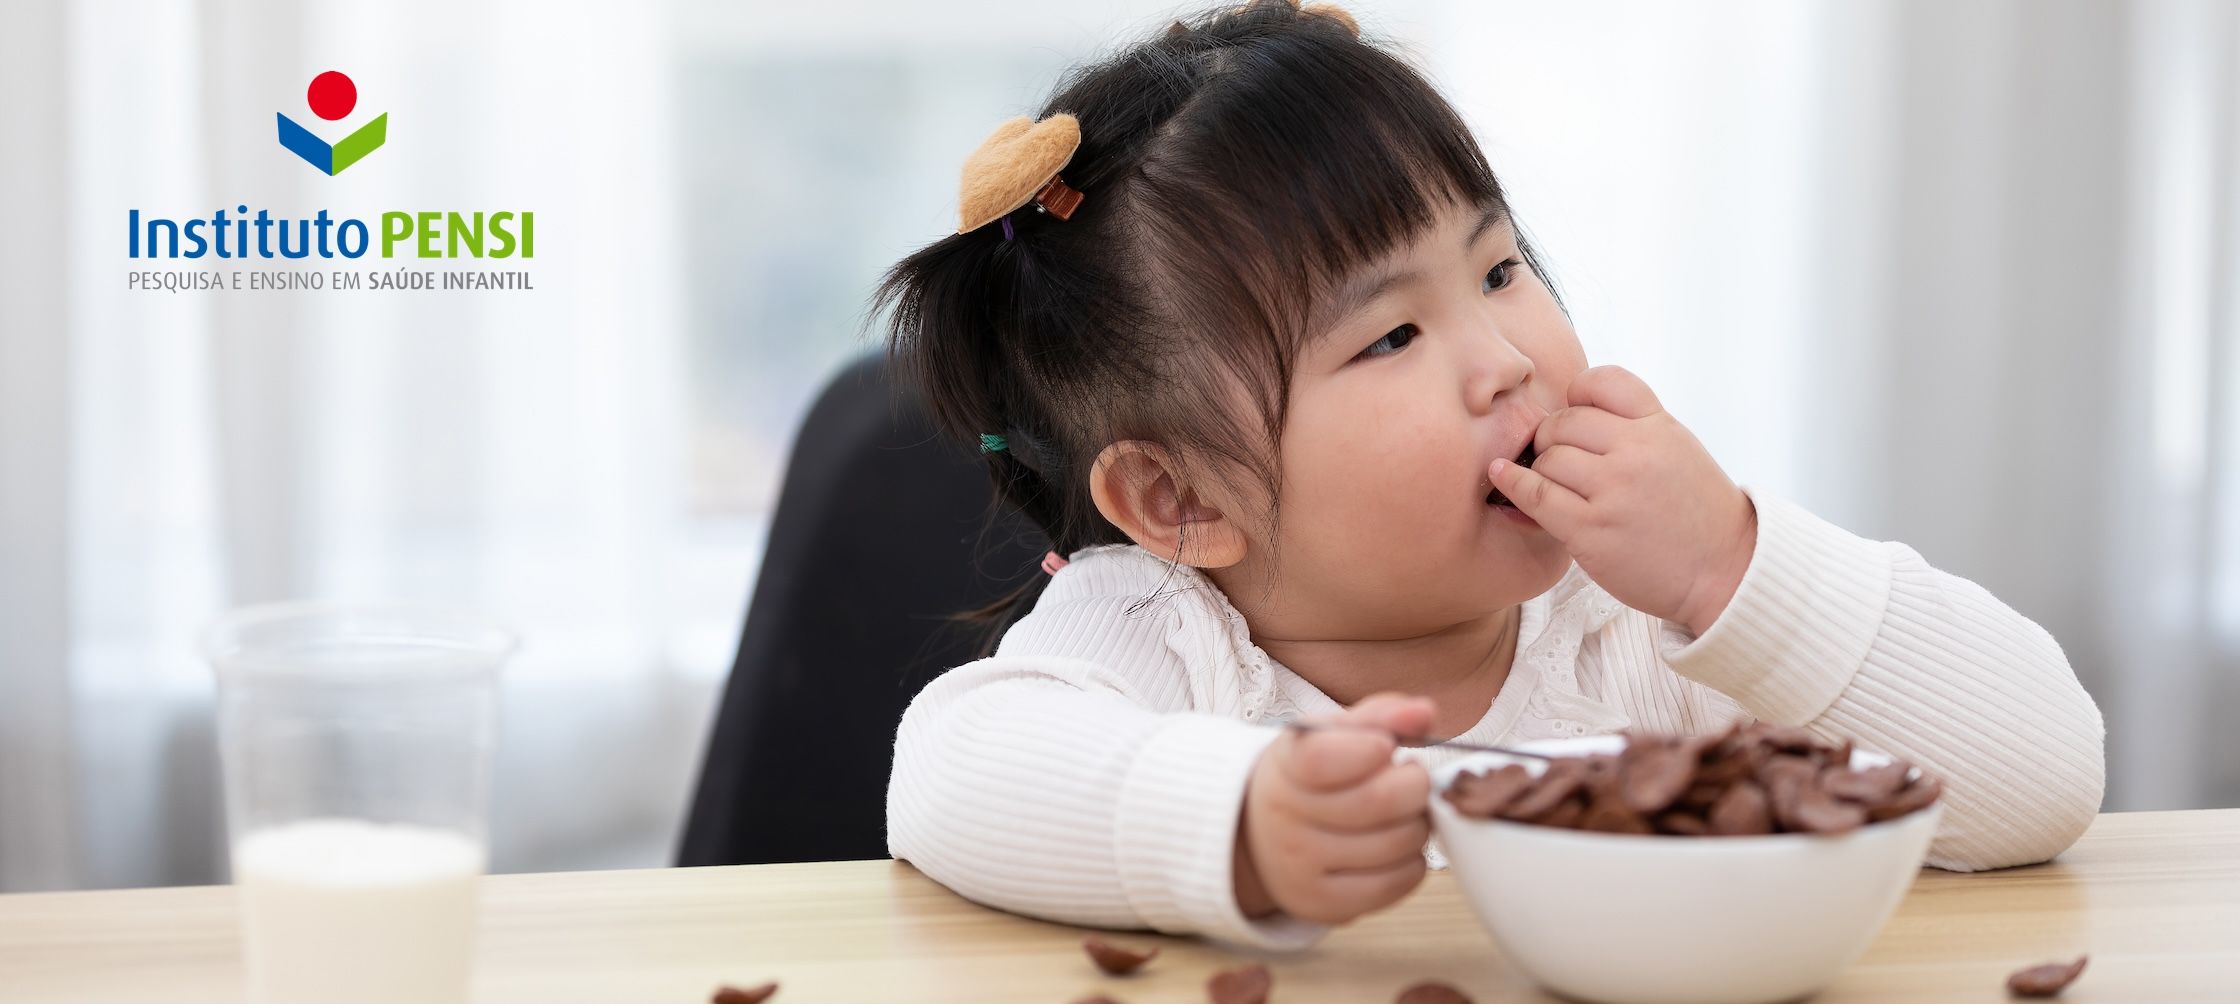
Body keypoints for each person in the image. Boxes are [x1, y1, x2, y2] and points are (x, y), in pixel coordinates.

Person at [872, 0, 2105, 950]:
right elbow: (952, 774)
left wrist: (1733, 566)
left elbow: (2040, 777)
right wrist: (1234, 822)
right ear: (1182, 501)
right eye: (1391, 336)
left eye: (1500, 270)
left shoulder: (1637, 616)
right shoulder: (1165, 633)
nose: (1506, 358)